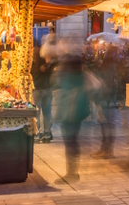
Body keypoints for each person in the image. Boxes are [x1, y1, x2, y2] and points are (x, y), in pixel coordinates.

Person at [52, 39, 90, 184]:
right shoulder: (77, 73)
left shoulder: (70, 78)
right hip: (73, 111)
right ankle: (72, 172)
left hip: (71, 112)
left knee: (70, 141)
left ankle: (72, 173)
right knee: (71, 141)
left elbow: (60, 83)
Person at [31, 35, 56, 143]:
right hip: (47, 87)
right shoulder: (47, 57)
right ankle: (46, 133)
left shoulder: (32, 60)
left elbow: (31, 72)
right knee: (46, 111)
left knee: (36, 111)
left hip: (37, 87)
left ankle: (37, 134)